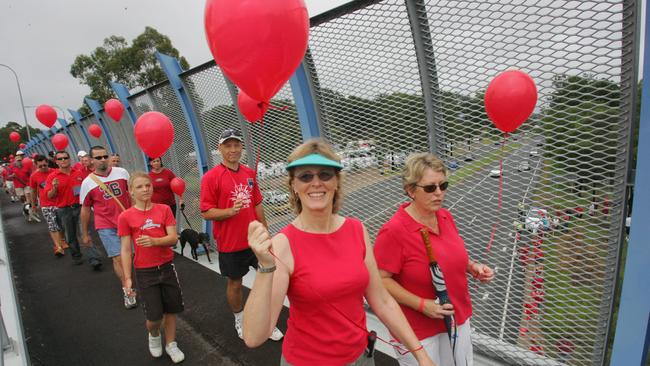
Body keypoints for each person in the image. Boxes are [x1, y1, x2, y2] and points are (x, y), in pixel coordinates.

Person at [244, 140, 434, 366]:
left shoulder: (356, 230)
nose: (316, 183)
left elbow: (382, 301)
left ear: (336, 182)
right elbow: (254, 337)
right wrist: (265, 266)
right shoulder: (283, 244)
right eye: (305, 176)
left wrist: (421, 354)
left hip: (361, 358)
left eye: (325, 175)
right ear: (294, 185)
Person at [373, 152, 494, 366]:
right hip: (418, 331)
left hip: (457, 317)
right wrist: (422, 305)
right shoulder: (394, 231)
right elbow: (380, 280)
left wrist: (473, 267)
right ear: (410, 191)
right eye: (430, 188)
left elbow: (451, 255)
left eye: (443, 185)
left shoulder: (445, 216)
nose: (439, 193)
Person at [200, 128, 282, 341]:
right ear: (220, 148)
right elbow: (206, 211)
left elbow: (257, 204)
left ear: (241, 147)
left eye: (237, 145)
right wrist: (229, 211)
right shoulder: (211, 177)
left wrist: (265, 230)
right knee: (235, 284)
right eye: (228, 145)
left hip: (255, 241)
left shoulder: (249, 174)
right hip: (230, 244)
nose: (233, 149)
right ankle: (240, 318)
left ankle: (268, 321)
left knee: (269, 281)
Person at [118, 172, 185, 363]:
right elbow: (125, 249)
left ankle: (171, 344)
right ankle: (154, 334)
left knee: (171, 309)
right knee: (154, 316)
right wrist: (127, 277)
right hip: (145, 271)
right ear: (131, 191)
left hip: (166, 267)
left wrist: (155, 241)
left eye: (147, 185)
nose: (145, 189)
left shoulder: (164, 209)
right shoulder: (126, 216)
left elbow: (173, 238)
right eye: (139, 186)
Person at [79, 146, 135, 309]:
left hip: (126, 221)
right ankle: (127, 289)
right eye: (98, 157)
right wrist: (85, 233)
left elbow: (131, 194)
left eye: (105, 156)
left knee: (130, 256)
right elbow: (85, 209)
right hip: (105, 225)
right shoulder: (88, 183)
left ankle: (131, 280)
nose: (102, 159)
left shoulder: (122, 173)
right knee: (118, 258)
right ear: (91, 160)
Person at [45, 150, 101, 267]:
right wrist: (54, 187)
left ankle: (94, 258)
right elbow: (50, 196)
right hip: (64, 210)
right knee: (70, 236)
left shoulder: (79, 173)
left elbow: (89, 188)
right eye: (60, 159)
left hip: (80, 207)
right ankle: (76, 256)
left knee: (85, 232)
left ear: (70, 159)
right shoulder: (52, 177)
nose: (63, 160)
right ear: (56, 161)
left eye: (65, 158)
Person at [29, 155, 66, 256]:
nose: (43, 167)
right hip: (45, 204)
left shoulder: (55, 172)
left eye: (44, 165)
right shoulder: (34, 176)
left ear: (47, 163)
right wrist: (33, 205)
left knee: (62, 224)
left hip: (59, 202)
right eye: (40, 166)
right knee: (52, 225)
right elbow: (33, 190)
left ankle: (62, 239)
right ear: (36, 165)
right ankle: (58, 247)